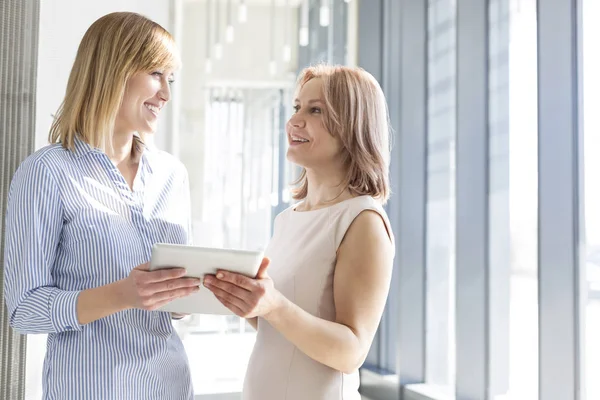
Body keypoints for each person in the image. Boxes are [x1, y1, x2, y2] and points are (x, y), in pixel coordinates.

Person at [3, 12, 200, 400]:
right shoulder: (47, 172)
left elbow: (178, 305)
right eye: (157, 74)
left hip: (171, 386)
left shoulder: (172, 175)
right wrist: (124, 294)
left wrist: (193, 294)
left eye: (170, 79)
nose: (166, 94)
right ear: (114, 70)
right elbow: (24, 310)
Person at [203, 64, 396, 400]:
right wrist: (247, 301)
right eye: (296, 107)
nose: (294, 121)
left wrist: (273, 306)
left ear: (353, 126)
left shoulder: (362, 220)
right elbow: (282, 327)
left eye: (315, 110)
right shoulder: (288, 219)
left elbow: (352, 352)